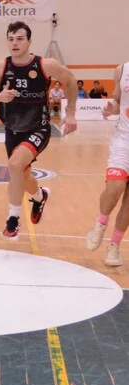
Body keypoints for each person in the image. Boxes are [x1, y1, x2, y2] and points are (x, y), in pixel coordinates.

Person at [0, 21, 77, 239]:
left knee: (15, 165)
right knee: (21, 174)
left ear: (29, 42)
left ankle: (13, 220)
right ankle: (40, 196)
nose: (14, 43)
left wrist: (71, 113)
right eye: (11, 39)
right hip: (12, 129)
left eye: (19, 39)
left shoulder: (45, 65)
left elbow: (71, 80)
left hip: (38, 127)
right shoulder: (1, 67)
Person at [85, 63, 129, 266]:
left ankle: (114, 246)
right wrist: (112, 108)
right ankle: (100, 223)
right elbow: (119, 102)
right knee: (115, 187)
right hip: (124, 140)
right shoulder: (122, 70)